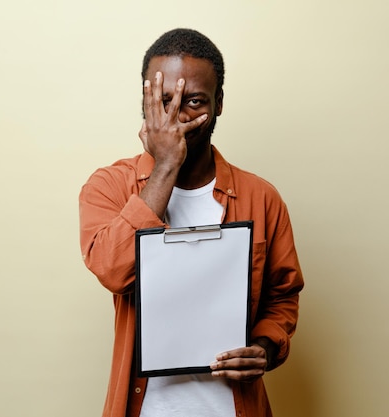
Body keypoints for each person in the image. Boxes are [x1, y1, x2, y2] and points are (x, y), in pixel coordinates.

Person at [79, 28, 304, 417]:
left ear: (218, 103)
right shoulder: (109, 186)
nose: (176, 118)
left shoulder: (262, 198)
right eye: (164, 101)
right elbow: (113, 271)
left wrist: (263, 349)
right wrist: (166, 166)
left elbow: (282, 297)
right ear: (145, 102)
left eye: (194, 101)